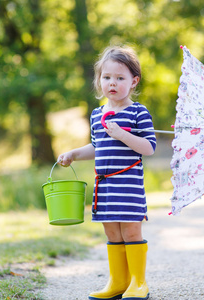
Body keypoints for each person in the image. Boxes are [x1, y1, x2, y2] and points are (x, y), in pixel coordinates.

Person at [57, 45, 156, 300]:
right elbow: (97, 146)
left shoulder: (138, 112)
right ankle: (118, 281)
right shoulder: (96, 115)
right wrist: (74, 154)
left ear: (133, 81)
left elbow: (149, 147)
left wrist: (122, 134)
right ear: (99, 80)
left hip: (128, 186)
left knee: (131, 231)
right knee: (112, 232)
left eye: (120, 78)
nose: (112, 83)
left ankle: (138, 282)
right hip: (106, 187)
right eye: (107, 77)